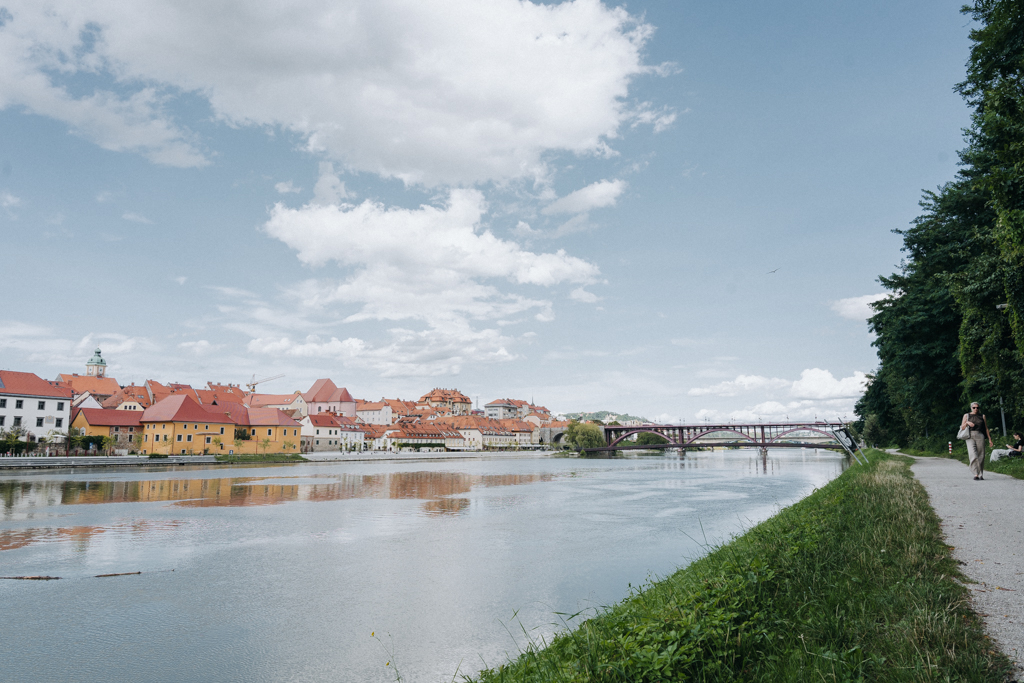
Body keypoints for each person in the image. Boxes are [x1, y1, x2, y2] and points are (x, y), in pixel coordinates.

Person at [960, 402, 994, 479]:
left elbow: (986, 428)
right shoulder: (967, 415)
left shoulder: (982, 416)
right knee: (973, 455)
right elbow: (962, 427)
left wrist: (989, 439)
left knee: (981, 455)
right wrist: (967, 423)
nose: (976, 409)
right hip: (969, 436)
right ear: (971, 408)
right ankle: (976, 473)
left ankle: (981, 473)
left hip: (980, 435)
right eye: (974, 407)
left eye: (977, 408)